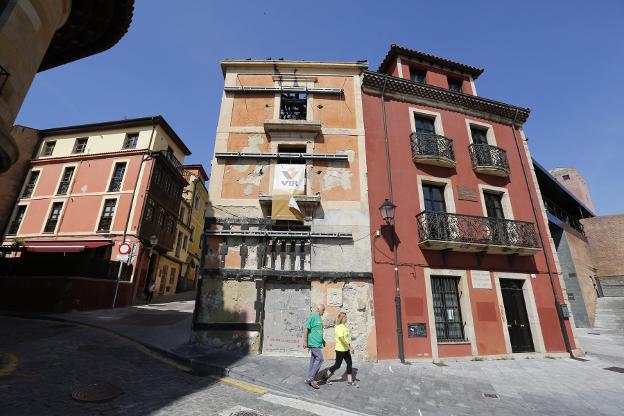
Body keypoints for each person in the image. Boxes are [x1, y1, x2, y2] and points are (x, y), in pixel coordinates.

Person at [324, 311, 357, 387]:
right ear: (342, 318)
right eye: (345, 317)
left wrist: (348, 347)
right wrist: (349, 347)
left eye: (346, 317)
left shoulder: (344, 326)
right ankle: (325, 377)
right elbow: (341, 338)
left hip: (345, 349)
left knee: (349, 363)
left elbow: (346, 338)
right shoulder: (338, 327)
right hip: (340, 350)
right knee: (337, 365)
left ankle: (350, 381)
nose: (346, 318)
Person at [303, 304, 325, 389]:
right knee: (320, 358)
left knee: (313, 360)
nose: (323, 312)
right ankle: (311, 378)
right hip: (313, 343)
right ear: (318, 309)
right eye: (323, 310)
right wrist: (305, 341)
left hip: (317, 343)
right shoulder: (313, 316)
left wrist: (322, 340)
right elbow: (306, 328)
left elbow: (317, 330)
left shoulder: (319, 318)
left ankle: (308, 378)